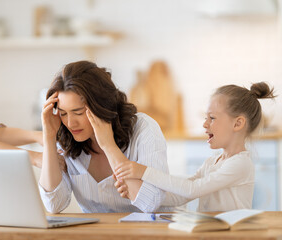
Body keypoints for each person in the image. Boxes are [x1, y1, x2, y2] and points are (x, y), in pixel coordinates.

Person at [114, 82, 276, 212]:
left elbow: (192, 189)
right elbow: (181, 196)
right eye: (206, 117)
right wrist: (139, 193)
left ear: (238, 123)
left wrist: (143, 171)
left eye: (212, 118)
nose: (205, 124)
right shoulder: (212, 162)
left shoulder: (240, 164)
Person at [39, 60, 171, 213]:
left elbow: (151, 203)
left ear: (101, 105)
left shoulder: (143, 128)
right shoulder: (67, 139)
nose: (70, 123)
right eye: (63, 113)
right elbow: (54, 205)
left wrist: (108, 146)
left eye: (78, 112)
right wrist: (49, 136)